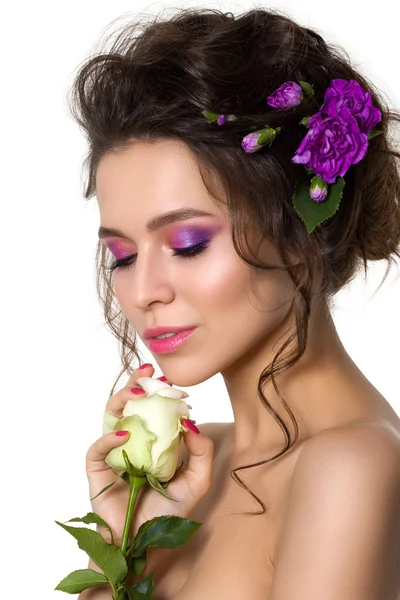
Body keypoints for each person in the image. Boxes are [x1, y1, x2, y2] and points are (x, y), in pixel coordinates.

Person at [68, 7, 400, 599]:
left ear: (300, 232)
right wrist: (123, 549)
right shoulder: (196, 463)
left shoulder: (350, 466)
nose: (143, 291)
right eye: (121, 256)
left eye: (188, 244)